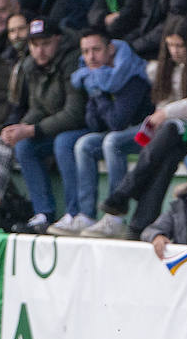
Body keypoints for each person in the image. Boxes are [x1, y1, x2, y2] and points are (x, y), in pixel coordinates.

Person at [84, 15, 187, 239]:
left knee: (170, 129)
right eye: (170, 45)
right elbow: (161, 103)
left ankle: (124, 193)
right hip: (174, 136)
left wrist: (167, 113)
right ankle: (139, 225)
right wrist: (165, 114)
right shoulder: (167, 65)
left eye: (180, 45)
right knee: (166, 158)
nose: (174, 51)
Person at [0, 16, 85, 234]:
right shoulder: (31, 66)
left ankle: (74, 213)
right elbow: (38, 107)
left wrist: (32, 129)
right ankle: (42, 213)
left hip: (78, 127)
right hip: (50, 127)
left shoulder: (71, 61)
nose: (40, 51)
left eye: (46, 44)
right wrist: (19, 127)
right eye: (35, 45)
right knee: (20, 146)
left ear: (58, 40)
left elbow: (74, 113)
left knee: (60, 143)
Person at [50, 29, 151, 235]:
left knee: (112, 142)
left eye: (96, 50)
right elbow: (94, 124)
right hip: (119, 131)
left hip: (145, 133)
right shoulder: (94, 78)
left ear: (110, 49)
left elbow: (116, 122)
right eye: (85, 51)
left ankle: (114, 216)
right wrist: (96, 92)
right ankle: (85, 215)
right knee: (84, 144)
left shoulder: (129, 74)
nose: (90, 57)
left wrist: (97, 94)